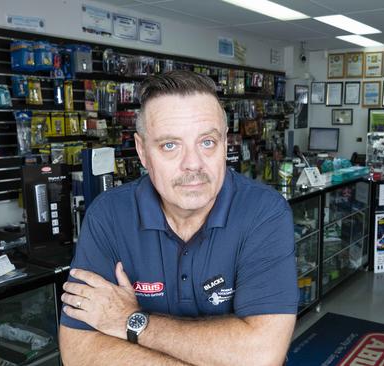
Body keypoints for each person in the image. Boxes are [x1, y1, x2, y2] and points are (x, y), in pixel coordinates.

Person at [59, 70, 299, 366]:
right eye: (170, 145)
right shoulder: (108, 216)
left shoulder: (264, 212)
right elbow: (78, 352)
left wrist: (132, 321)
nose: (193, 163)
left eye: (207, 142)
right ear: (142, 152)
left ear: (225, 143)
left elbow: (261, 355)